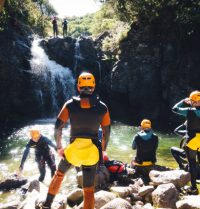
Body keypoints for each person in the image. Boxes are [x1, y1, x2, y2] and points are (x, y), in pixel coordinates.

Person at [36, 72, 111, 209]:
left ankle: (47, 205)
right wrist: (104, 150)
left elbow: (58, 127)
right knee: (88, 190)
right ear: (93, 87)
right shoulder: (103, 108)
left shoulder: (70, 105)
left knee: (58, 176)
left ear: (78, 86)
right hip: (92, 153)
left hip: (73, 151)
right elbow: (106, 131)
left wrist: (59, 147)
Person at [172, 90, 200, 194]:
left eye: (192, 100)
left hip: (192, 140)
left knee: (192, 164)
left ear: (194, 101)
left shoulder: (189, 110)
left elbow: (174, 109)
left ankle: (194, 188)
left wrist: (183, 101)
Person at [131, 119, 159, 185]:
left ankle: (134, 172)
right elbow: (156, 148)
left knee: (132, 158)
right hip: (151, 162)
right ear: (150, 127)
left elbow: (133, 148)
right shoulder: (156, 137)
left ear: (141, 127)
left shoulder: (136, 136)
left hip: (139, 162)